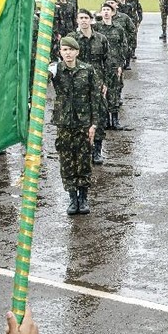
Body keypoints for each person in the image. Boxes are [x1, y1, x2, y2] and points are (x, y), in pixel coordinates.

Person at [50, 34, 104, 215]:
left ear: (77, 52)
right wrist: (47, 71)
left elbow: (95, 98)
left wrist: (94, 124)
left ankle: (83, 197)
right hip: (64, 122)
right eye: (64, 50)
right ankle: (72, 197)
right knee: (66, 160)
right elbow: (38, 81)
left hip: (83, 122)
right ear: (60, 52)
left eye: (71, 50)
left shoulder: (87, 70)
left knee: (83, 160)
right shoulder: (56, 70)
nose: (68, 54)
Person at [72, 10, 112, 165]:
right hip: (78, 83)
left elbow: (107, 62)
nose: (83, 21)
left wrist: (106, 83)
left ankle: (97, 150)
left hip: (97, 82)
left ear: (91, 20)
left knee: (99, 115)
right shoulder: (73, 39)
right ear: (77, 20)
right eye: (81, 18)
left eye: (86, 18)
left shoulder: (101, 39)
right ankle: (81, 149)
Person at [92, 1, 133, 133]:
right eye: (103, 9)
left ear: (112, 12)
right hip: (99, 65)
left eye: (108, 10)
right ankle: (104, 120)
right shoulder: (96, 28)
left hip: (114, 65)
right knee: (101, 92)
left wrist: (121, 64)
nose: (106, 12)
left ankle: (114, 120)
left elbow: (124, 46)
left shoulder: (118, 28)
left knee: (114, 92)